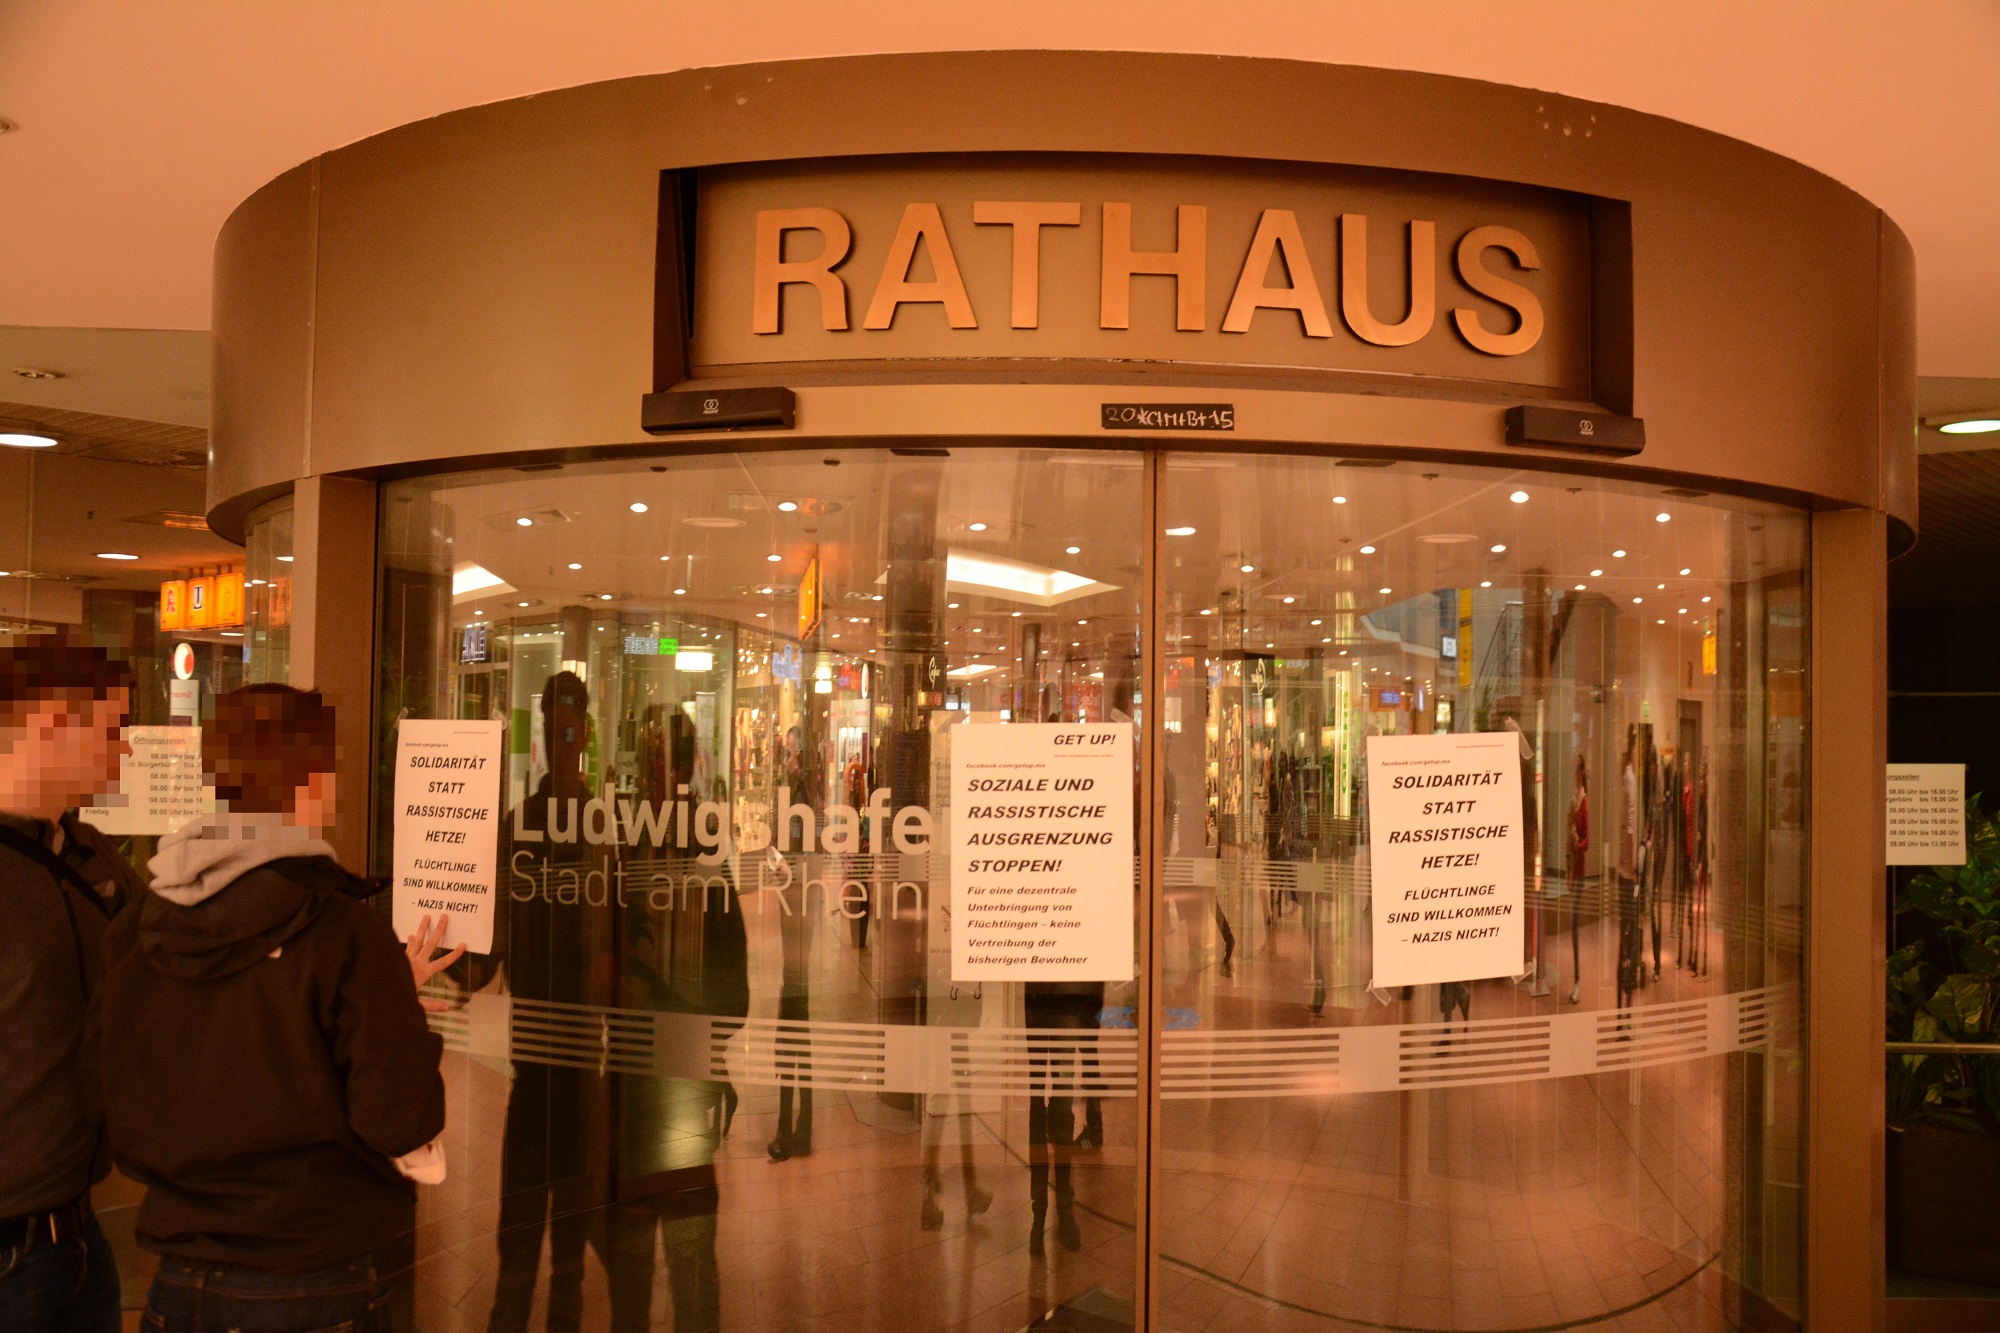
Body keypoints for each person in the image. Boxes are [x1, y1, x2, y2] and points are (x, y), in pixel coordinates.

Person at [97, 684, 460, 1333]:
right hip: (314, 1283)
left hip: (175, 1284)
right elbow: (398, 1119)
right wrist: (393, 1009)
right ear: (312, 780)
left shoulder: (136, 927)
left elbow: (111, 1085)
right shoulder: (344, 933)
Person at [0, 641, 144, 1333]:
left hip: (80, 1237)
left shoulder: (90, 852)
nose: (125, 750)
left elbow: (181, 959)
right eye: (114, 728)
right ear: (52, 724)